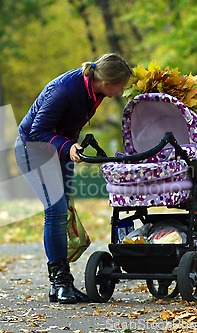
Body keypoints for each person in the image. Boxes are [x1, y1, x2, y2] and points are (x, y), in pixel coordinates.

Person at [14, 53, 133, 304]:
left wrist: (69, 147)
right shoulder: (65, 90)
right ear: (108, 81)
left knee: (63, 211)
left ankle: (62, 284)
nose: (121, 91)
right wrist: (67, 146)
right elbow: (37, 131)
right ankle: (59, 282)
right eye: (121, 85)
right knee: (56, 211)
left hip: (60, 150)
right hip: (33, 150)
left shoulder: (96, 91)